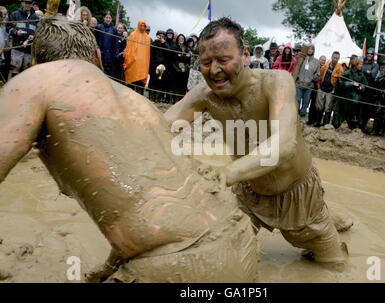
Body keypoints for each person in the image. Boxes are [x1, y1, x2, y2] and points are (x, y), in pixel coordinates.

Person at [1, 16, 258, 283]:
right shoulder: (138, 102)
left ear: (35, 62)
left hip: (182, 264)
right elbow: (149, 199)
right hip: (239, 241)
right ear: (98, 57)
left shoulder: (36, 80)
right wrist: (111, 266)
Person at [165, 17, 351, 268]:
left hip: (298, 195)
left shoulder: (276, 82)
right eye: (207, 62)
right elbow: (157, 127)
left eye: (223, 60)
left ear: (244, 55)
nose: (214, 70)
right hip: (247, 193)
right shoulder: (204, 96)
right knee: (220, 256)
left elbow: (284, 144)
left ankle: (330, 218)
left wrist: (226, 173)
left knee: (335, 266)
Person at [7, 0, 38, 78]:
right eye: (26, 2)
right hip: (17, 46)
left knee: (26, 69)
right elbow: (8, 28)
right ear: (22, 3)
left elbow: (38, 31)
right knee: (16, 67)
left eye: (29, 3)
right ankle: (14, 87)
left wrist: (34, 36)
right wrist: (16, 32)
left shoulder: (35, 17)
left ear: (32, 4)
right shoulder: (15, 14)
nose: (27, 5)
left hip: (29, 48)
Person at [314, 51, 344, 127]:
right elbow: (320, 76)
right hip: (322, 88)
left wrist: (335, 90)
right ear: (331, 57)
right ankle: (317, 122)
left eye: (337, 58)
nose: (335, 59)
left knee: (328, 108)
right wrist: (318, 87)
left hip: (331, 91)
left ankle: (325, 124)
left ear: (339, 59)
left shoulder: (340, 69)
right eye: (334, 57)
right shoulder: (325, 66)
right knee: (319, 107)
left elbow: (340, 81)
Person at [336, 58, 368, 129]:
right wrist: (351, 83)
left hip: (357, 98)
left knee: (354, 114)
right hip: (347, 97)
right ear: (355, 65)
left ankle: (353, 128)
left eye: (361, 64)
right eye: (360, 64)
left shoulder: (361, 74)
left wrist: (361, 87)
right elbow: (340, 81)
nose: (361, 66)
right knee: (345, 113)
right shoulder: (348, 72)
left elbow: (365, 84)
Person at [123, 20, 151, 96]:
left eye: (144, 26)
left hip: (142, 66)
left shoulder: (147, 38)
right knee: (131, 87)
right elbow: (129, 48)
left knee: (140, 87)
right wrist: (127, 59)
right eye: (141, 25)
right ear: (138, 25)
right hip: (133, 64)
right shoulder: (133, 35)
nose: (142, 27)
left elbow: (147, 54)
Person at [294, 43, 320, 117]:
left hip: (309, 85)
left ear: (313, 51)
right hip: (299, 84)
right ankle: (296, 115)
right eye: (309, 48)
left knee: (306, 102)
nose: (310, 50)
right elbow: (295, 68)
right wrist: (297, 76)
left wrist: (312, 77)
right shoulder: (300, 58)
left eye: (312, 49)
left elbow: (318, 74)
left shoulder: (316, 61)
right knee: (297, 100)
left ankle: (303, 115)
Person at [359, 48, 379, 132]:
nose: (369, 55)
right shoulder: (362, 63)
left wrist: (367, 72)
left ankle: (363, 126)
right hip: (361, 87)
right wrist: (367, 72)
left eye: (371, 54)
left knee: (367, 109)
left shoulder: (375, 65)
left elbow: (373, 75)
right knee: (359, 106)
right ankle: (357, 125)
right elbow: (360, 72)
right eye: (368, 53)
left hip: (369, 89)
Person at [94, 11, 119, 77]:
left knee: (109, 75)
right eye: (106, 17)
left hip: (110, 56)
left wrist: (115, 55)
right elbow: (95, 41)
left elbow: (116, 44)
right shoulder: (98, 27)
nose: (108, 19)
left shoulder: (114, 30)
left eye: (109, 18)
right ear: (104, 18)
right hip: (100, 54)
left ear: (111, 19)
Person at [149, 29, 169, 102]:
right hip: (154, 65)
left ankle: (157, 99)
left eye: (162, 36)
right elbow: (151, 50)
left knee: (159, 82)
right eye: (159, 36)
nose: (161, 37)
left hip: (161, 66)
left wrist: (163, 43)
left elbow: (168, 52)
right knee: (152, 81)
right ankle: (151, 97)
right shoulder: (154, 43)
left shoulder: (165, 44)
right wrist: (155, 41)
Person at [171, 34, 191, 103]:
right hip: (176, 70)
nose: (181, 40)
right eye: (180, 38)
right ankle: (174, 101)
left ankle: (181, 102)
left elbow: (188, 59)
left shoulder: (187, 48)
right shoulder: (175, 47)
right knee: (175, 86)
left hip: (185, 70)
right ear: (177, 39)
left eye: (182, 38)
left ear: (184, 40)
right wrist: (184, 56)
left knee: (183, 87)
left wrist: (182, 57)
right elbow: (174, 59)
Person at [307, 55, 326, 126]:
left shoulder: (326, 68)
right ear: (319, 60)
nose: (323, 61)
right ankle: (310, 120)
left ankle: (317, 121)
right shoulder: (316, 67)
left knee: (320, 106)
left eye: (324, 60)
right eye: (322, 60)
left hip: (322, 89)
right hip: (314, 88)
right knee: (312, 105)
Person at [0, 6, 9, 83]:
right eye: (4, 14)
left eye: (6, 14)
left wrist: (1, 49)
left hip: (4, 50)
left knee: (4, 69)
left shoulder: (5, 25)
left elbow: (5, 39)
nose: (6, 16)